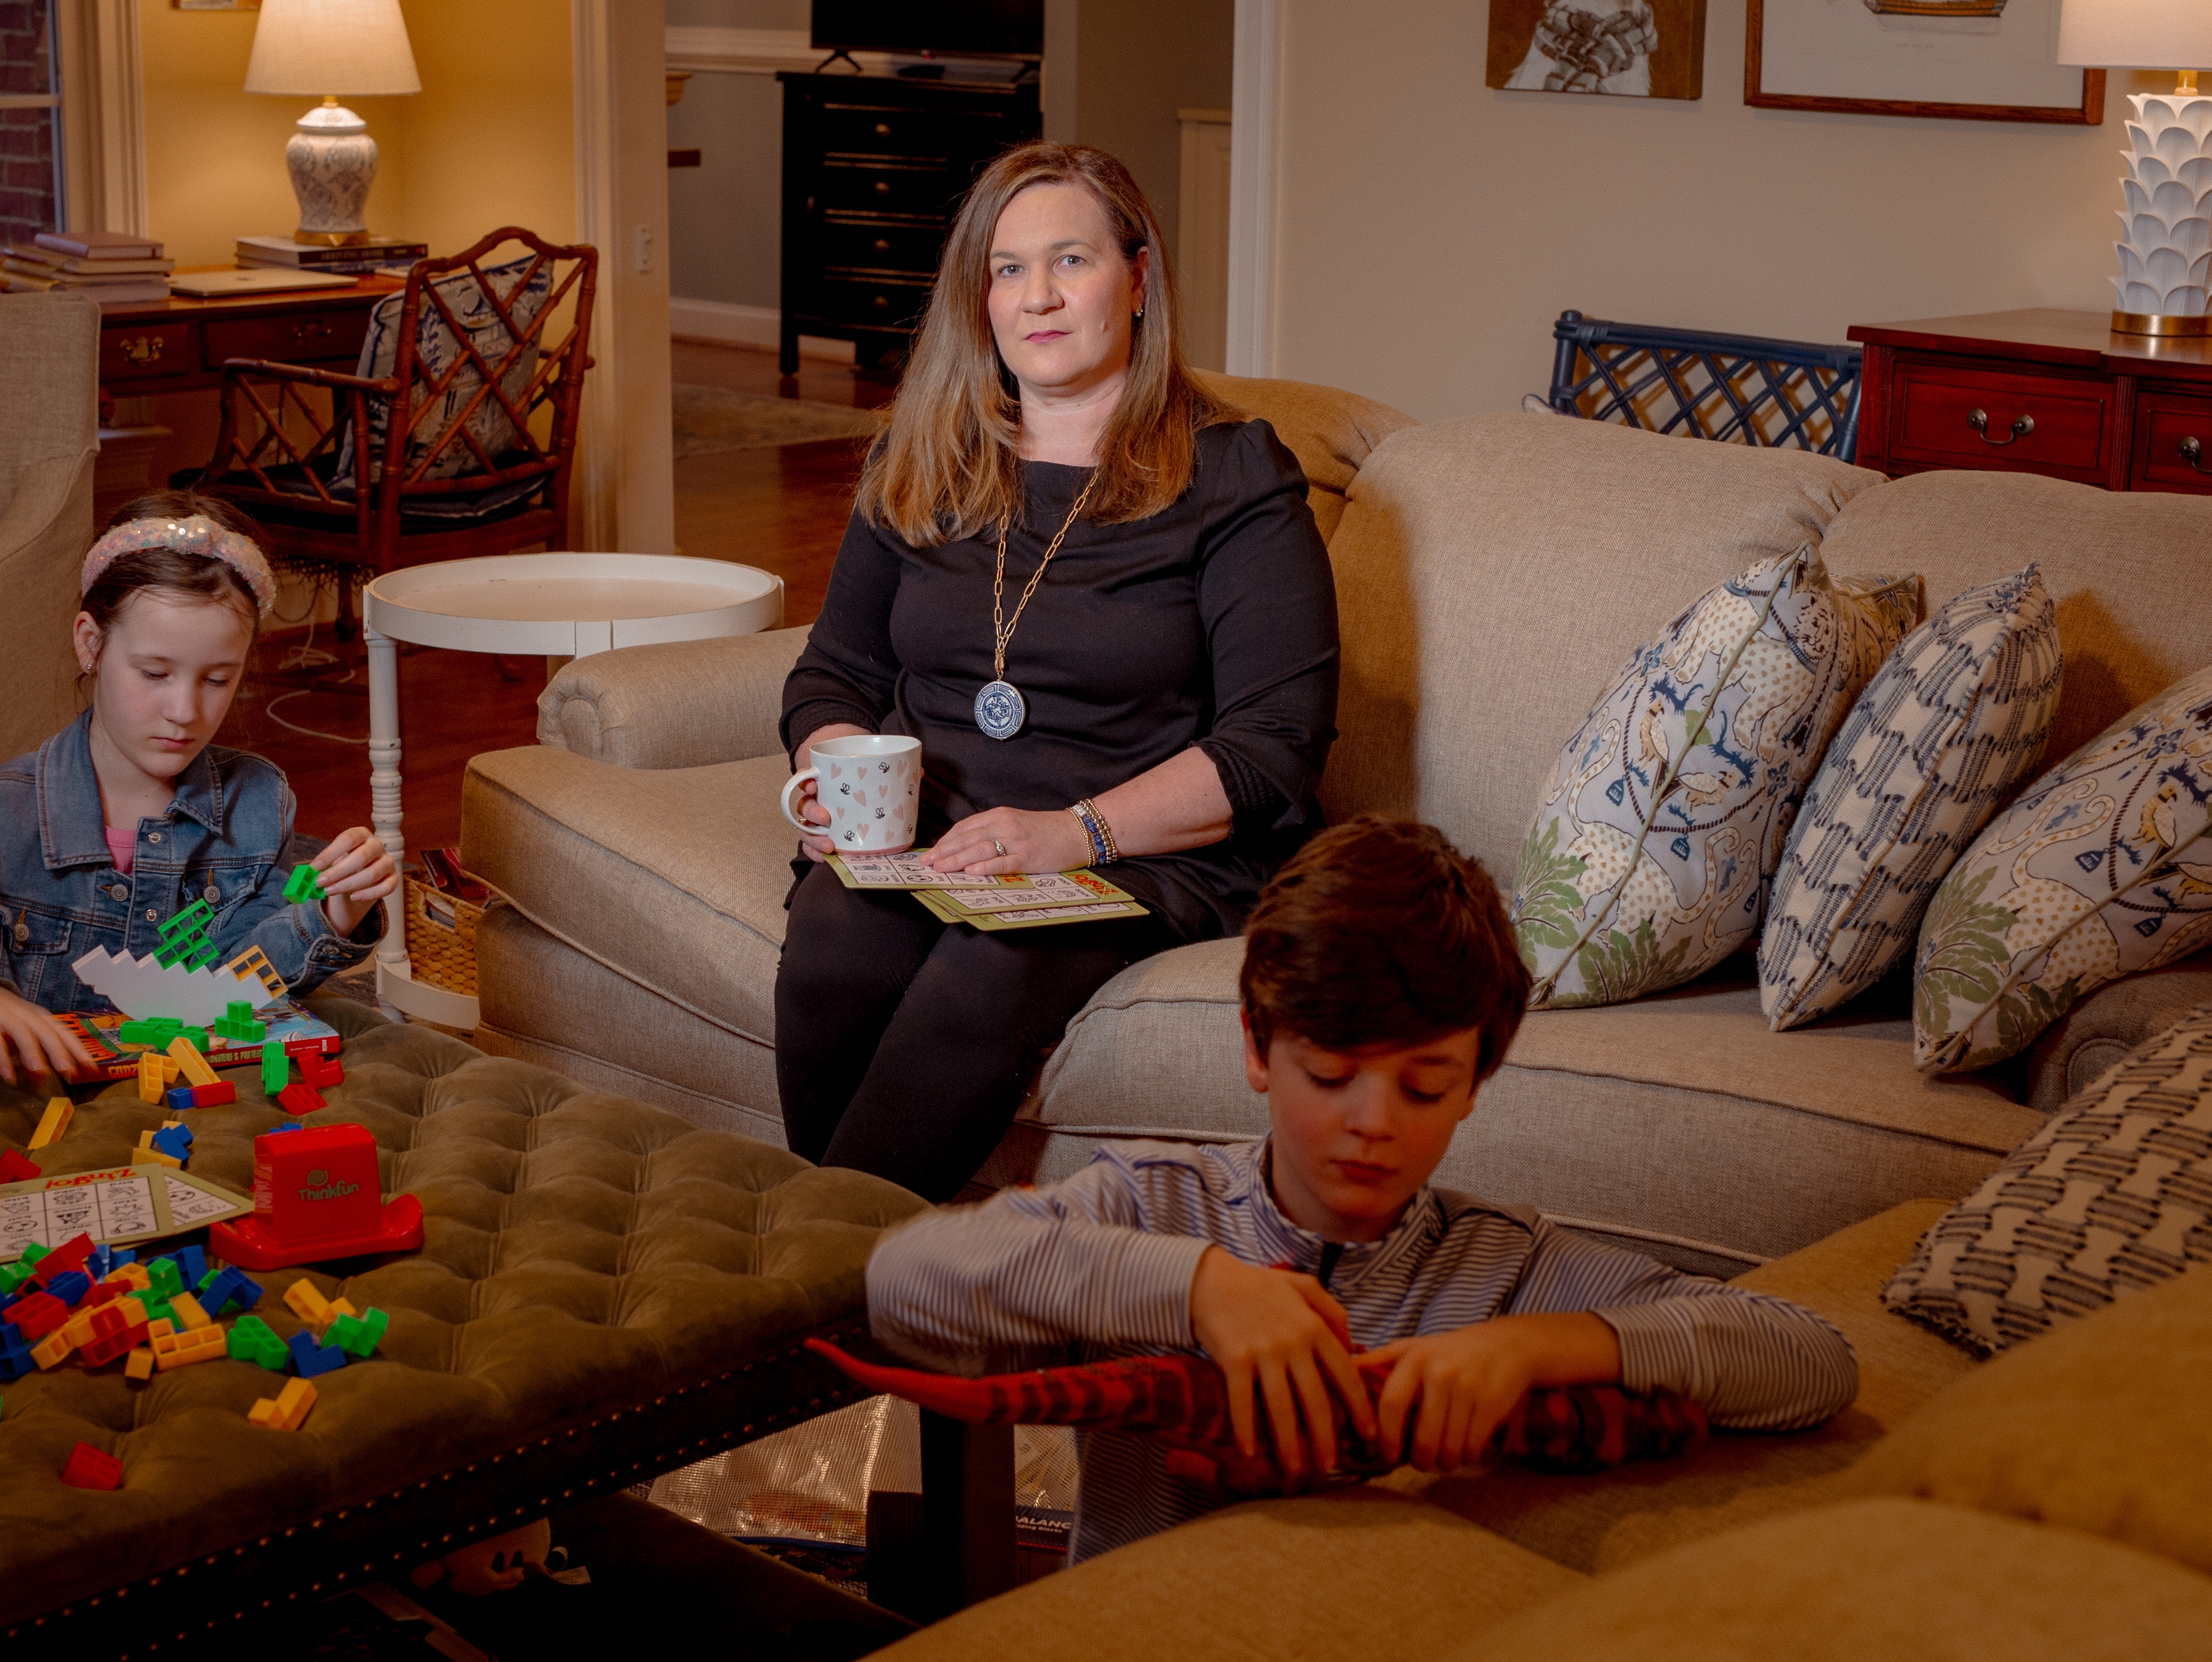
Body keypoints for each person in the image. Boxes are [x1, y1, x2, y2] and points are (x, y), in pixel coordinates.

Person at [864, 816, 1860, 1564]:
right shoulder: (1150, 1203)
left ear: (1475, 1079)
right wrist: (1197, 1285)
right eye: (1330, 1073)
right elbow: (905, 1280)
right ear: (1256, 1046)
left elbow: (1809, 1360)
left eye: (1423, 1084)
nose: (1372, 1122)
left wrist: (1538, 1343)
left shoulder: (1508, 1265)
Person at [776, 141, 1340, 1202]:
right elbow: (832, 669)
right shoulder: (920, 454)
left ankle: (827, 1284)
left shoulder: (1230, 473)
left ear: (1136, 278)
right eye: (1006, 268)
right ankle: (822, 1256)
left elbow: (1276, 744)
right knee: (835, 932)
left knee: (994, 962)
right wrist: (836, 768)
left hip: (1131, 852)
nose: (1036, 295)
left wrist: (1064, 834)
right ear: (976, 298)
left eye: (1069, 261)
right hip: (934, 838)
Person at [0, 490, 399, 1085]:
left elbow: (236, 982)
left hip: (185, 1103)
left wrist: (336, 913)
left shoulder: (259, 801)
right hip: (29, 1108)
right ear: (91, 644)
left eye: (217, 678)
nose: (184, 710)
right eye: (154, 674)